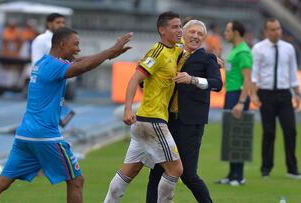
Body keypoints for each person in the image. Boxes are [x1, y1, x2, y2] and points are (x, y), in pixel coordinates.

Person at [0, 27, 133, 203]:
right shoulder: (54, 66)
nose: (78, 48)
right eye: (75, 44)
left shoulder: (43, 63)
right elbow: (82, 66)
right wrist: (112, 49)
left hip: (25, 135)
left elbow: (80, 61)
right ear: (62, 44)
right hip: (45, 136)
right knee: (76, 180)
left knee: (1, 183)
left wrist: (108, 54)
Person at [103, 11, 183, 203]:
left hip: (144, 122)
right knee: (176, 169)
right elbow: (134, 79)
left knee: (130, 170)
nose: (180, 30)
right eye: (175, 27)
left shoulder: (175, 50)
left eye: (180, 26)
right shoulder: (157, 52)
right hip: (151, 121)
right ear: (162, 30)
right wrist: (128, 109)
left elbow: (187, 52)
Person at [146, 20, 223, 203]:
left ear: (204, 39)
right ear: (184, 34)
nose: (195, 36)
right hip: (167, 121)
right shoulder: (174, 53)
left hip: (191, 124)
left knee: (188, 175)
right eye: (192, 32)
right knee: (156, 171)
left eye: (200, 34)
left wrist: (193, 80)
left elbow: (217, 84)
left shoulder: (208, 58)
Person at [250, 18, 301, 179]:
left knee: (291, 131)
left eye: (278, 28)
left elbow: (293, 73)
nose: (276, 32)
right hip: (266, 94)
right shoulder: (258, 48)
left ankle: (292, 169)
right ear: (266, 32)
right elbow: (254, 74)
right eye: (273, 29)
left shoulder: (289, 48)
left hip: (284, 94)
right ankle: (266, 168)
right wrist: (253, 94)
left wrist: (297, 94)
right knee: (269, 132)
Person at [215, 20, 253, 186]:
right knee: (231, 135)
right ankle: (232, 175)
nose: (225, 33)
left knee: (238, 135)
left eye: (228, 30)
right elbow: (234, 71)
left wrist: (241, 102)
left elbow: (247, 79)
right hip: (230, 93)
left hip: (238, 95)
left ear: (236, 32)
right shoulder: (235, 50)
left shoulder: (244, 52)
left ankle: (239, 176)